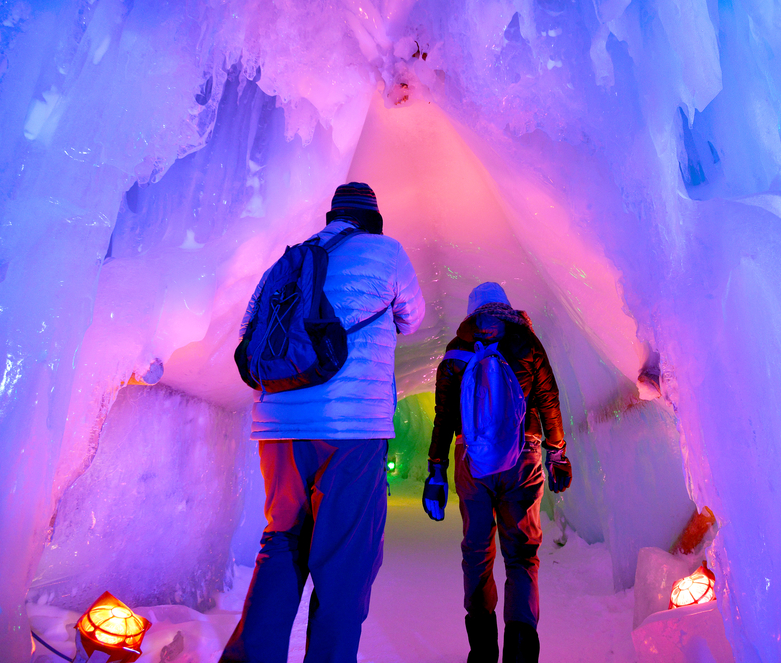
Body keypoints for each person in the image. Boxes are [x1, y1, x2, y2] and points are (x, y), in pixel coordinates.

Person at [221, 182, 425, 663]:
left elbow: (250, 327)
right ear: (372, 220)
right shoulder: (387, 252)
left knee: (282, 540)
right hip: (352, 431)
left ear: (332, 215)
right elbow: (412, 318)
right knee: (344, 562)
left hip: (280, 426)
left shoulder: (292, 258)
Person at [422, 282, 572, 663]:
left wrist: (435, 470)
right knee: (521, 555)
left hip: (471, 462)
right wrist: (557, 454)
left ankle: (483, 651)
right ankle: (521, 652)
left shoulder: (457, 351)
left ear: (473, 313)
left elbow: (444, 418)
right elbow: (548, 400)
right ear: (507, 306)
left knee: (476, 552)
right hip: (523, 456)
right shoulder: (526, 343)